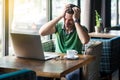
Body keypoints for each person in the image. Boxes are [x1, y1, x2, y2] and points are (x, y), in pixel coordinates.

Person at [39, 4, 90, 80]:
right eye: (65, 19)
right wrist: (60, 16)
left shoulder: (81, 29)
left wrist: (76, 20)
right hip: (57, 61)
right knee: (40, 75)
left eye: (70, 20)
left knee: (72, 76)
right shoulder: (58, 26)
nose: (66, 23)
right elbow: (42, 32)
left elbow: (84, 41)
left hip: (74, 63)